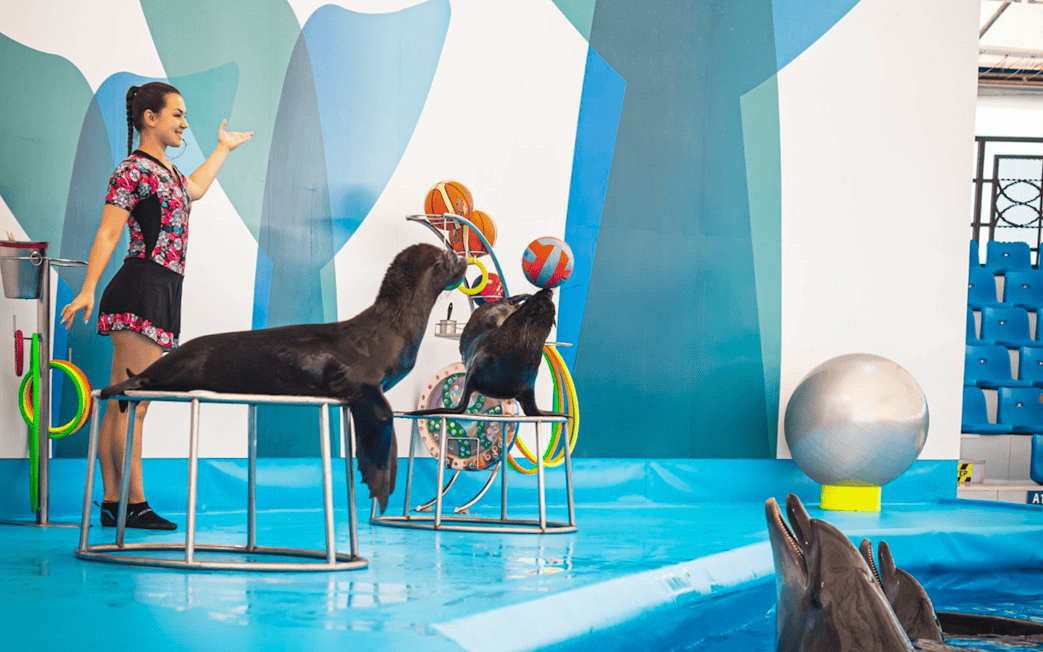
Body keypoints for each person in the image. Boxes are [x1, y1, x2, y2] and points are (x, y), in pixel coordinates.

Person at [60, 82, 253, 529]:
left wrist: (223, 149)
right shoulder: (132, 170)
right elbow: (109, 231)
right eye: (177, 115)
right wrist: (88, 287)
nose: (185, 123)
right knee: (135, 402)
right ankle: (134, 503)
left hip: (161, 288)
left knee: (121, 400)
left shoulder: (165, 171)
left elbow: (196, 189)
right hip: (141, 288)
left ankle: (114, 502)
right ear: (150, 118)